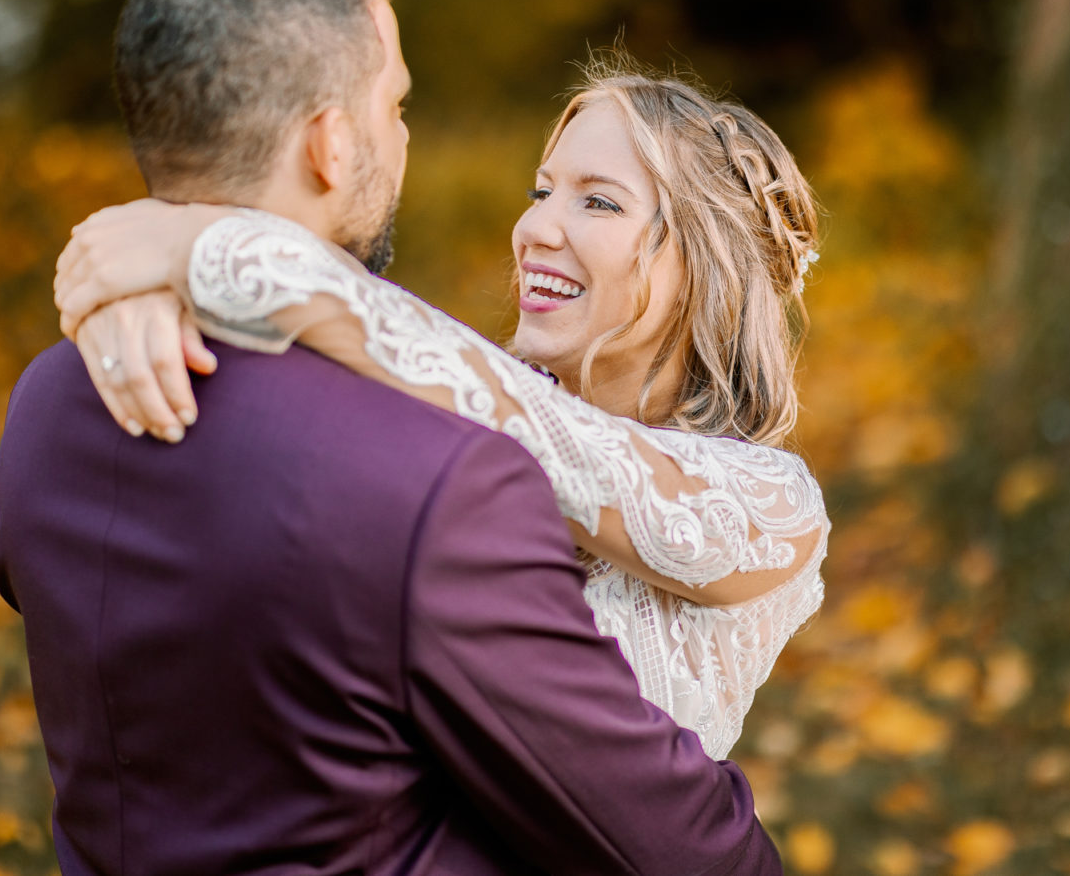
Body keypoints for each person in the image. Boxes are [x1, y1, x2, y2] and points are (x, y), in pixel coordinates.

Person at [0, 0, 782, 876]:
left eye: (597, 202)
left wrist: (176, 240)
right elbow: (677, 845)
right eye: (397, 105)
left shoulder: (49, 404)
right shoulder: (440, 481)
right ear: (331, 145)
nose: (536, 226)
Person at [53, 39, 831, 762]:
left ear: (710, 264)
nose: (535, 228)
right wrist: (149, 287)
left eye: (598, 203)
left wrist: (198, 247)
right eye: (542, 190)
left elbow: (552, 442)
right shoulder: (462, 394)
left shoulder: (771, 506)